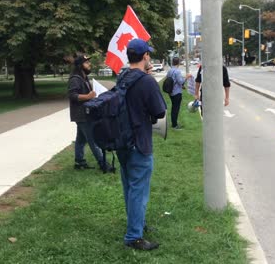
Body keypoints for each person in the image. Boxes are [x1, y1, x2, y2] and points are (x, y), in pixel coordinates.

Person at [116, 39, 166, 250]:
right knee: (138, 189)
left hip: (122, 141)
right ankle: (133, 237)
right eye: (149, 55)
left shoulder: (121, 77)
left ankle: (138, 224)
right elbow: (160, 111)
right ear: (145, 56)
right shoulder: (146, 82)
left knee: (130, 187)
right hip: (139, 143)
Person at [67, 55, 113, 173]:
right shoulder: (75, 79)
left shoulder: (84, 77)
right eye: (86, 63)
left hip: (85, 113)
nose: (89, 64)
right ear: (80, 65)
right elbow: (72, 95)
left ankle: (79, 162)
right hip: (82, 114)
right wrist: (88, 96)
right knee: (93, 140)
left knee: (81, 139)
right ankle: (104, 164)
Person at [166, 57, 191, 129]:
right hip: (176, 93)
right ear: (179, 63)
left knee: (174, 108)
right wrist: (186, 77)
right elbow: (181, 81)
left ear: (173, 62)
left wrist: (181, 86)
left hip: (171, 92)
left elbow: (171, 80)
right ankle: (175, 125)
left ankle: (174, 123)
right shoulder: (177, 71)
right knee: (175, 109)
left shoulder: (170, 70)